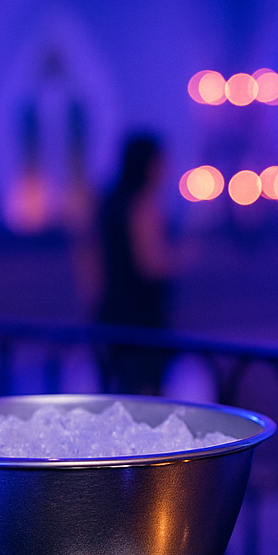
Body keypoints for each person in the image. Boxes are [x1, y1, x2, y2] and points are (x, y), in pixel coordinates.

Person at [95, 133, 175, 394]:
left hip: (112, 312)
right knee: (146, 395)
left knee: (119, 394)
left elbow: (88, 259)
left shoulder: (109, 203)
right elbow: (150, 263)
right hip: (142, 316)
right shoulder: (142, 204)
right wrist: (186, 257)